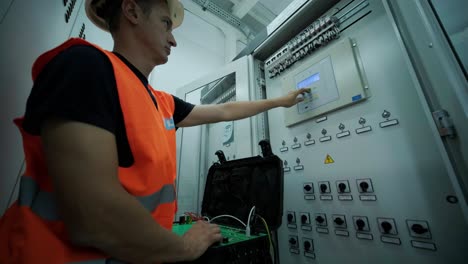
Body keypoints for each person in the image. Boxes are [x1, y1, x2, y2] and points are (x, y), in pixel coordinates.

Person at [0, 0, 310, 263]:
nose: (173, 40)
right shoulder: (85, 66)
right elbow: (93, 216)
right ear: (132, 11)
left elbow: (225, 110)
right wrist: (183, 246)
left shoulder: (160, 102)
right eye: (165, 23)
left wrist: (281, 102)